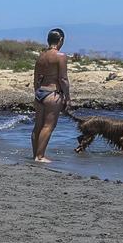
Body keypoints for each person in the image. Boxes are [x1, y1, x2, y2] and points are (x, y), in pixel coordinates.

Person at [31, 27, 71, 163]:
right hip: (52, 93)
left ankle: (35, 154)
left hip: (40, 92)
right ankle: (40, 156)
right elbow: (63, 79)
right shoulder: (61, 56)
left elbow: (36, 78)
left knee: (38, 125)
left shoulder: (41, 56)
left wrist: (37, 92)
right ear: (61, 40)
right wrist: (67, 97)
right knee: (48, 126)